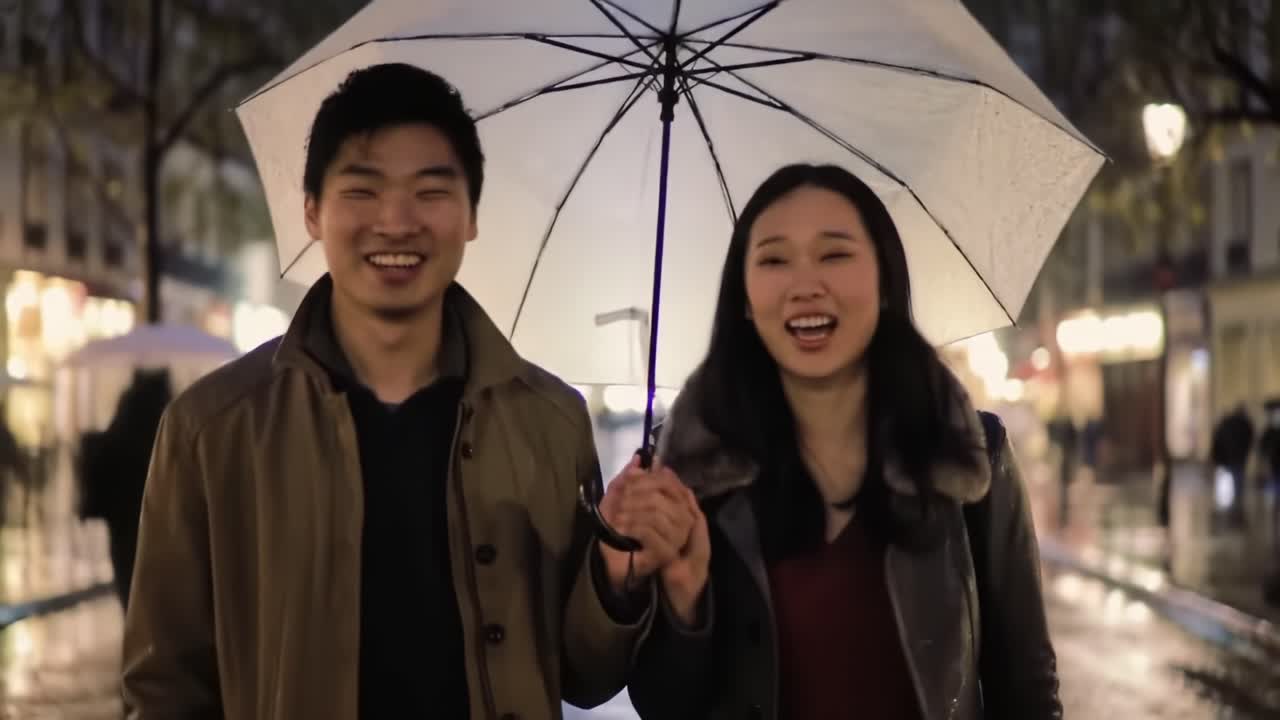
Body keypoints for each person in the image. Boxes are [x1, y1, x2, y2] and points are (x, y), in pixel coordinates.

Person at [121, 63, 693, 719]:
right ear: (312, 211)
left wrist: (616, 573)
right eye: (362, 191)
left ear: (472, 214)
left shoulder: (550, 421)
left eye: (431, 191)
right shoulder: (212, 430)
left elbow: (583, 675)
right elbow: (164, 686)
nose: (396, 222)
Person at [627, 164, 1063, 719]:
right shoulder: (691, 477)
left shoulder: (967, 457)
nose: (806, 285)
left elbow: (1026, 684)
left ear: (884, 280)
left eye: (834, 254)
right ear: (742, 297)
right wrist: (684, 604)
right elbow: (665, 707)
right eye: (774, 259)